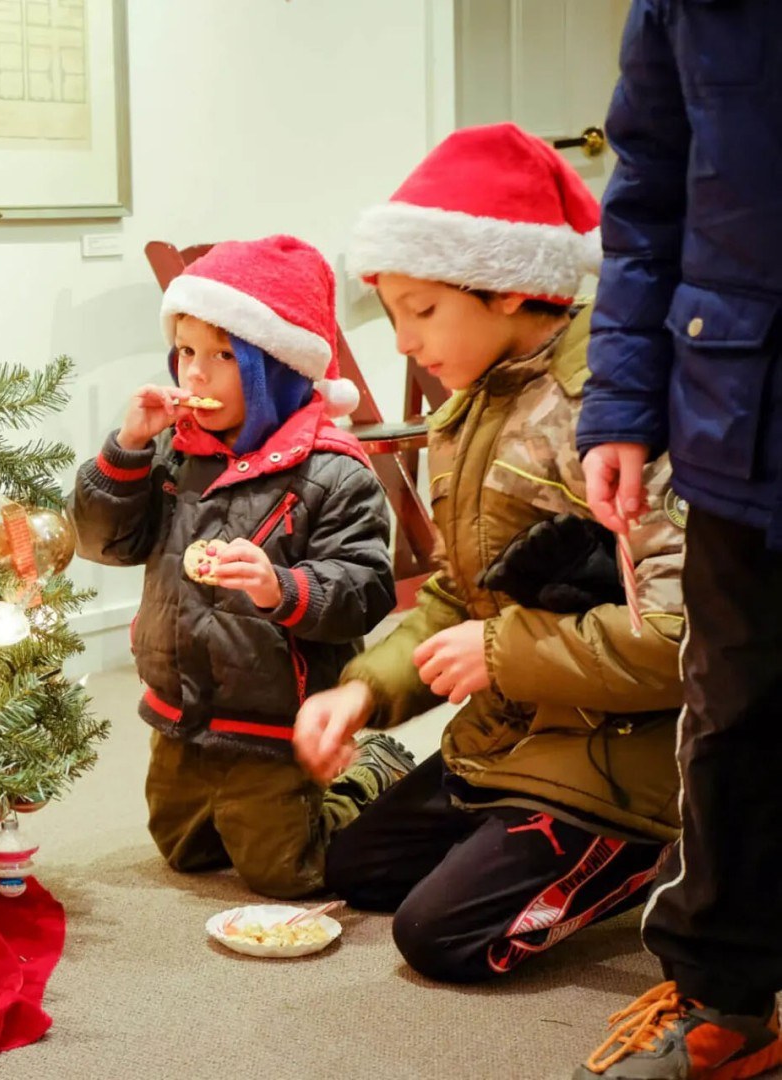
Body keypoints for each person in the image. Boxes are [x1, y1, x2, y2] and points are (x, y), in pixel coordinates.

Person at [293, 123, 687, 981]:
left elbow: (684, 636)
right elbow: (456, 592)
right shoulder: (464, 412)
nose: (401, 340)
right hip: (517, 731)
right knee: (357, 869)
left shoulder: (615, 416)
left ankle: (660, 854)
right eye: (393, 313)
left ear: (508, 287)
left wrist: (502, 652)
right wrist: (364, 689)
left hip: (626, 754)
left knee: (439, 938)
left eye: (421, 310)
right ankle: (511, 832)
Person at [71, 235, 412, 900]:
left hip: (273, 720)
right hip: (182, 710)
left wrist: (280, 587)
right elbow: (106, 543)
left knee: (288, 872)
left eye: (223, 356)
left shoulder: (332, 470)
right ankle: (245, 797)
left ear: (275, 367)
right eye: (187, 351)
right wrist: (127, 448)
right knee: (183, 851)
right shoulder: (172, 449)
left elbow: (366, 589)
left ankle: (371, 772)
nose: (194, 374)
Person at [572, 2, 782, 1076]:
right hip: (742, 417)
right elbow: (646, 197)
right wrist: (619, 407)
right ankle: (727, 1003)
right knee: (733, 713)